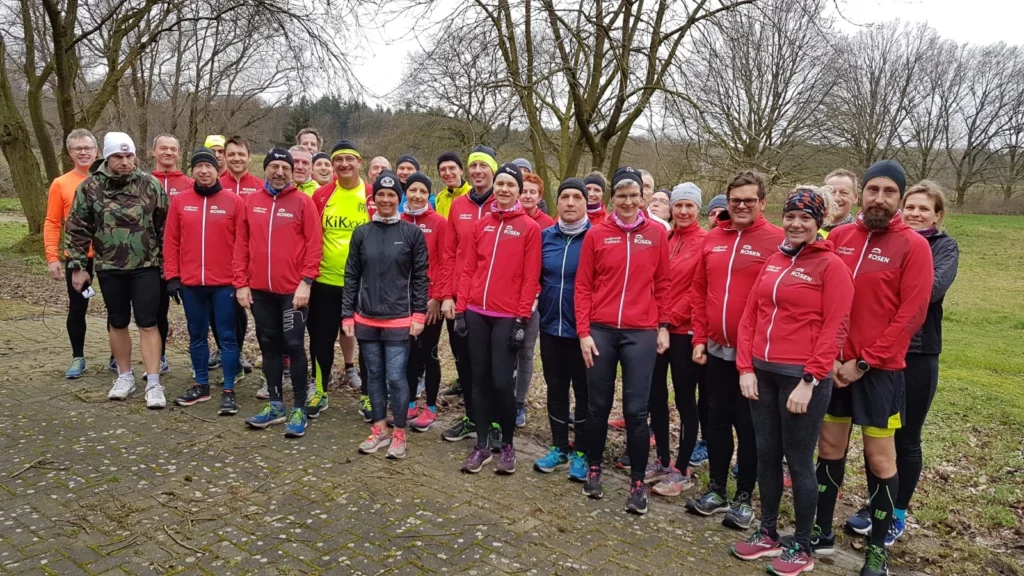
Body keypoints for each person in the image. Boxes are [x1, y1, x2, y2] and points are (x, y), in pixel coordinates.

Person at [814, 160, 932, 576]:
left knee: (880, 459)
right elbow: (820, 298)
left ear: (899, 198)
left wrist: (864, 362)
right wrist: (830, 357)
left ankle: (878, 550)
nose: (879, 198)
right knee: (829, 448)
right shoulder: (840, 237)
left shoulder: (914, 246)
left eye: (889, 192)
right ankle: (820, 534)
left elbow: (911, 315)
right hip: (833, 368)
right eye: (873, 190)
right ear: (861, 193)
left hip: (878, 372)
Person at [729, 187, 854, 574]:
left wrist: (811, 379)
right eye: (791, 216)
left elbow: (836, 327)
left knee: (799, 462)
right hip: (762, 374)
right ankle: (767, 534)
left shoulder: (831, 266)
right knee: (767, 454)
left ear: (819, 223)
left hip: (801, 379)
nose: (796, 224)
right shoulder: (774, 259)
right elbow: (751, 315)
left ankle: (802, 546)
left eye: (806, 218)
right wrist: (745, 368)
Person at [687, 170, 784, 529]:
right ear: (727, 203)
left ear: (762, 202)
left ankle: (744, 498)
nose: (741, 206)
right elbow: (699, 291)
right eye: (735, 200)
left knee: (749, 427)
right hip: (714, 348)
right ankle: (716, 489)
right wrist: (699, 338)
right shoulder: (712, 238)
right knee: (716, 421)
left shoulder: (777, 240)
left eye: (748, 200)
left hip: (755, 356)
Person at [575, 166, 671, 515]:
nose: (628, 201)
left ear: (642, 198)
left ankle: (637, 482)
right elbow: (583, 285)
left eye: (634, 195)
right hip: (600, 329)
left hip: (640, 331)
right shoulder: (597, 234)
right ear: (612, 197)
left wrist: (663, 325)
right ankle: (595, 467)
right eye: (621, 195)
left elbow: (663, 283)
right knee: (597, 407)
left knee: (635, 410)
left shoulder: (657, 234)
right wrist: (583, 332)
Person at [65, 132, 169, 408]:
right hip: (109, 266)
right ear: (108, 158)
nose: (124, 161)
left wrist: (167, 265)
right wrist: (77, 267)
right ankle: (124, 376)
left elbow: (165, 227)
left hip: (146, 266)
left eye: (129, 156)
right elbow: (77, 228)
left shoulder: (151, 185)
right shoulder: (90, 187)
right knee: (118, 321)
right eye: (118, 156)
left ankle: (154, 382)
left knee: (148, 322)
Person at [454, 163, 542, 474]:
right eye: (500, 184)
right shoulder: (482, 225)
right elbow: (468, 269)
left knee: (502, 383)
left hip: (507, 315)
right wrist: (462, 309)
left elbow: (531, 278)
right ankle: (481, 445)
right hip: (477, 312)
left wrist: (520, 320)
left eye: (510, 185)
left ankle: (506, 444)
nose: (504, 189)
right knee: (478, 381)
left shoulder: (529, 228)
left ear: (519, 190)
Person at [884, 181, 958, 545]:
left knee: (907, 438)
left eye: (923, 209)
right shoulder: (891, 241)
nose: (914, 214)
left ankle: (897, 512)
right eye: (910, 207)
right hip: (882, 353)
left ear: (937, 215)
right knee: (879, 437)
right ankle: (878, 503)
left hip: (918, 353)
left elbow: (929, 292)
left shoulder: (944, 246)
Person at [235, 148, 323, 438]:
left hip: (291, 293)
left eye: (286, 167)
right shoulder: (251, 203)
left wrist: (306, 282)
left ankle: (298, 406)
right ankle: (275, 404)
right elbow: (241, 246)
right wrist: (241, 283)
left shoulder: (302, 202)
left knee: (294, 344)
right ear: (266, 169)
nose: (280, 172)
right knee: (268, 345)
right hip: (260, 291)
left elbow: (314, 245)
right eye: (274, 166)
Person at [346, 171, 429, 459]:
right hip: (366, 319)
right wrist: (347, 315)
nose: (385, 199)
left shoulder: (411, 234)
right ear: (374, 198)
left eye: (391, 195)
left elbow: (420, 278)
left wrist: (419, 315)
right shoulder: (362, 233)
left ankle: (399, 434)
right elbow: (351, 276)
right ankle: (379, 430)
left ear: (399, 199)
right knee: (375, 378)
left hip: (399, 320)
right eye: (380, 194)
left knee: (396, 378)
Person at [164, 148, 243, 415]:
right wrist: (172, 276)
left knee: (228, 337)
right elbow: (171, 241)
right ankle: (201, 385)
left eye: (208, 166)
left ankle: (230, 389)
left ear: (216, 169)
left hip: (225, 283)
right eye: (198, 166)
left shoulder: (233, 201)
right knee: (197, 335)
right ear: (193, 171)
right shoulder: (180, 201)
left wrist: (240, 280)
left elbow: (243, 244)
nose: (204, 171)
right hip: (191, 283)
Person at [646, 182, 708, 497]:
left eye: (689, 206)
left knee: (684, 400)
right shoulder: (664, 238)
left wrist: (669, 322)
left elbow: (698, 291)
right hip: (655, 330)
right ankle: (662, 459)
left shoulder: (705, 242)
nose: (683, 211)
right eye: (679, 205)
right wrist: (657, 322)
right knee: (655, 395)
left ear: (699, 209)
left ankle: (681, 469)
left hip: (683, 333)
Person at [439, 145, 499, 443]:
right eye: (473, 166)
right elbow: (449, 253)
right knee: (465, 360)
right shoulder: (458, 205)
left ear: (493, 170)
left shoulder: (502, 204)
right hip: (461, 299)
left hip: (494, 300)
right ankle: (472, 418)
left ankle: (496, 422)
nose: (477, 171)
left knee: (493, 364)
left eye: (483, 166)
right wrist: (447, 295)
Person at [532, 178, 591, 481]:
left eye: (576, 197)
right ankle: (559, 447)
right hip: (550, 327)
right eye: (564, 197)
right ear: (557, 202)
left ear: (586, 202)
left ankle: (581, 452)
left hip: (583, 332)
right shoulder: (545, 237)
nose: (570, 202)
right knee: (556, 389)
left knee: (583, 392)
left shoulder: (596, 237)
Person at [310, 139, 369, 417]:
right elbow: (310, 239)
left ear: (360, 162)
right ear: (332, 165)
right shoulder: (321, 196)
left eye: (350, 159)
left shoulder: (371, 194)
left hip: (365, 285)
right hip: (326, 282)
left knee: (369, 339)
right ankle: (319, 390)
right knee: (322, 338)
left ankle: (370, 395)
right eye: (338, 160)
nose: (344, 164)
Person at [45, 129, 98, 379]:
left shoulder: (107, 179)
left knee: (118, 308)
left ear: (97, 151)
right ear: (70, 153)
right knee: (78, 308)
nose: (84, 152)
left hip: (111, 257)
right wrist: (52, 257)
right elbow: (52, 221)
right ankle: (78, 357)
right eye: (78, 149)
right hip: (78, 258)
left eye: (87, 148)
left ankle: (116, 357)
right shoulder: (61, 183)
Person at [401, 172, 448, 432]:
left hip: (430, 301)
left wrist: (437, 297)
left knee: (428, 353)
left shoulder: (439, 222)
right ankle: (408, 403)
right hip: (401, 301)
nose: (417, 195)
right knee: (407, 353)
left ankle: (429, 407)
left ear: (429, 194)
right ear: (405, 193)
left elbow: (445, 261)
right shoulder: (398, 220)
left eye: (422, 191)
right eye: (412, 190)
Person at [216, 136, 259, 384]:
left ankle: (272, 372)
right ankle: (234, 363)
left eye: (241, 154)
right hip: (224, 266)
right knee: (227, 320)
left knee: (264, 321)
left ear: (249, 157)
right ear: (225, 157)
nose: (236, 158)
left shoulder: (261, 186)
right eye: (231, 154)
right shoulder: (217, 185)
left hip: (256, 265)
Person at [150, 134, 193, 374]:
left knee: (196, 315)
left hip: (184, 260)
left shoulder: (189, 183)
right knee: (156, 312)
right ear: (153, 152)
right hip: (151, 260)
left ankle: (201, 363)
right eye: (163, 148)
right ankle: (160, 357)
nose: (168, 152)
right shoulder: (143, 182)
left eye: (173, 149)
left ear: (179, 153)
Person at [435, 151, 471, 219]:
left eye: (452, 168)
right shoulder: (439, 198)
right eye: (443, 169)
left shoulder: (473, 194)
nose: (447, 173)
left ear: (461, 170)